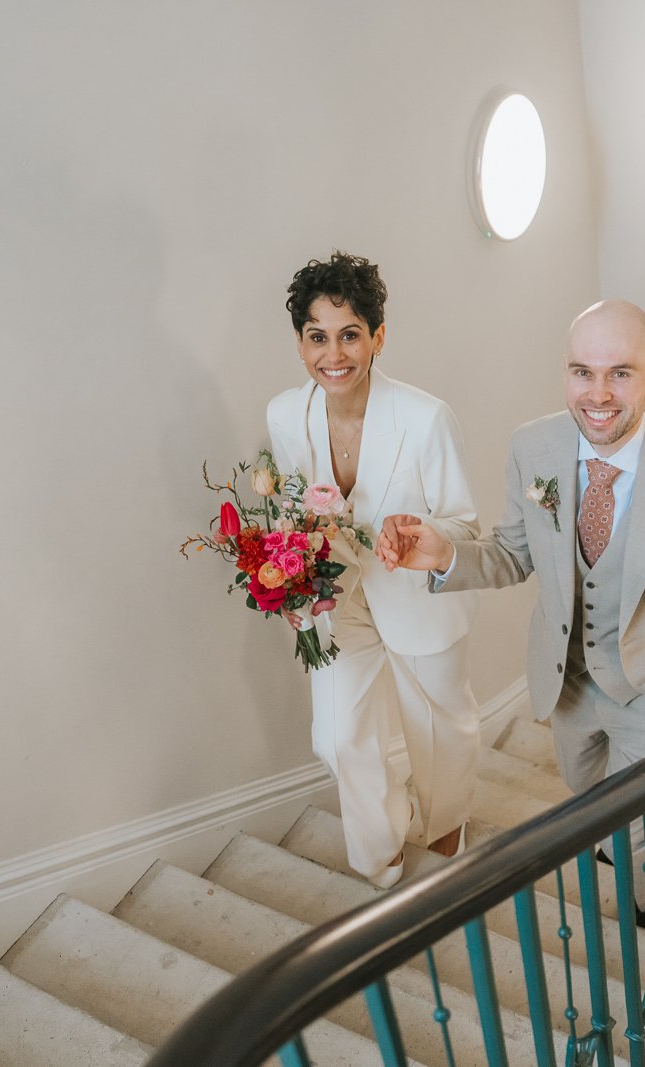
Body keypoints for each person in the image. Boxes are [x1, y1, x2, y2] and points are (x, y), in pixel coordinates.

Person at [376, 298, 645, 919]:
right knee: (585, 790)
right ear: (566, 370)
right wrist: (444, 554)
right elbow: (513, 554)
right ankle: (617, 844)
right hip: (569, 685)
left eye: (621, 373)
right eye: (583, 371)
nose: (598, 394)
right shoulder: (533, 448)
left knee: (638, 824)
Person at [267, 251, 482, 889]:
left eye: (350, 335)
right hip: (334, 595)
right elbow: (289, 507)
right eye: (317, 337)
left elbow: (464, 525)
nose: (333, 354)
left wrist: (423, 538)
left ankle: (445, 824)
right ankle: (379, 843)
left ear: (377, 337)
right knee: (337, 736)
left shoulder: (426, 418)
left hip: (418, 595)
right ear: (300, 343)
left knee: (438, 725)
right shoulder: (284, 415)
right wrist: (288, 576)